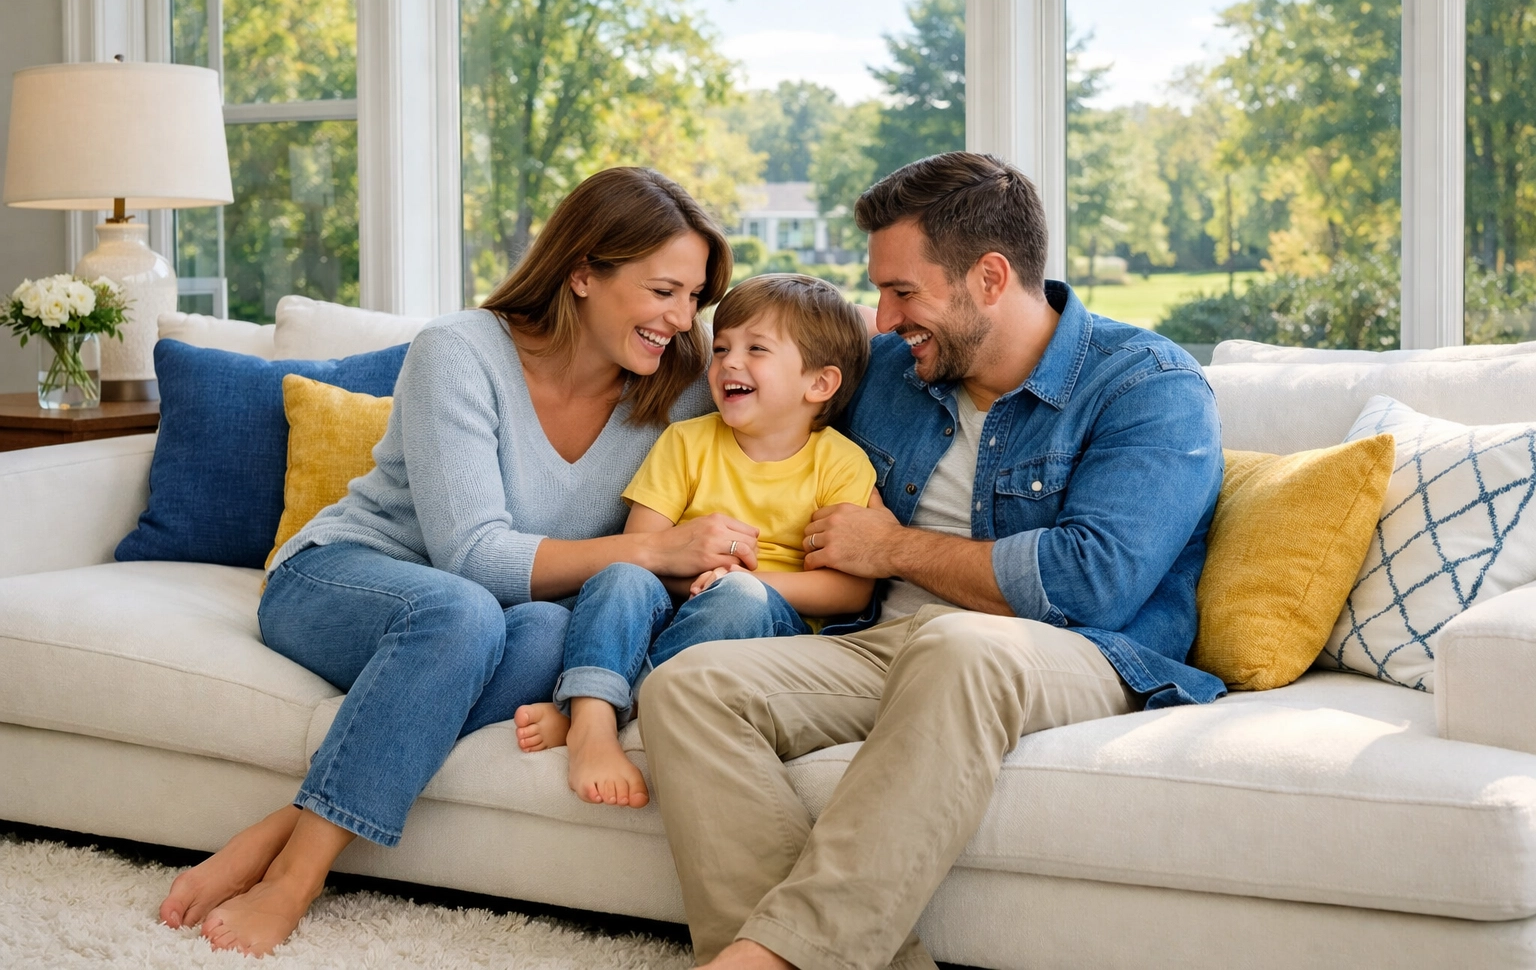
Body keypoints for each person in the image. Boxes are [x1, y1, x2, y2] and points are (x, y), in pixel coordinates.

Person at [157, 167, 768, 957]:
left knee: (554, 633)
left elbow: (794, 382)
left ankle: (282, 827)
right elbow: (472, 557)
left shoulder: (678, 388)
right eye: (663, 292)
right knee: (460, 610)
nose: (682, 319)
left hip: (497, 622)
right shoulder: (460, 351)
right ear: (583, 272)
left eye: (695, 297)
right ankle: (292, 880)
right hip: (342, 575)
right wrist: (652, 547)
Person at [638, 152, 1227, 970]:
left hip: (1076, 652)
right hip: (888, 644)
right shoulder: (887, 371)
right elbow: (746, 392)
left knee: (961, 645)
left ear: (990, 276)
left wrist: (891, 547)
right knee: (688, 687)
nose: (880, 320)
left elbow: (1095, 580)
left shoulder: (1147, 384)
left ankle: (768, 962)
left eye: (902, 292)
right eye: (878, 290)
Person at [513, 274, 878, 809]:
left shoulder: (841, 464)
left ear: (819, 384)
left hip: (768, 623)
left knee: (738, 599)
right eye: (722, 347)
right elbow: (641, 550)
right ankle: (591, 723)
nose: (730, 362)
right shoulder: (686, 441)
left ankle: (595, 710)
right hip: (670, 603)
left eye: (756, 350)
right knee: (618, 576)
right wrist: (695, 575)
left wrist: (744, 581)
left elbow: (850, 594)